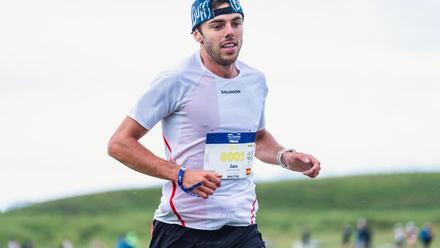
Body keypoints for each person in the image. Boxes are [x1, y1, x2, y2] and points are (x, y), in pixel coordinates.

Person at [108, 0, 321, 247]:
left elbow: (257, 138)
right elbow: (119, 144)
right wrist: (180, 175)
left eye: (236, 23)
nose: (230, 32)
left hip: (242, 227)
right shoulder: (175, 80)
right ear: (197, 34)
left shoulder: (255, 81)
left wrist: (285, 156)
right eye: (217, 25)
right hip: (184, 229)